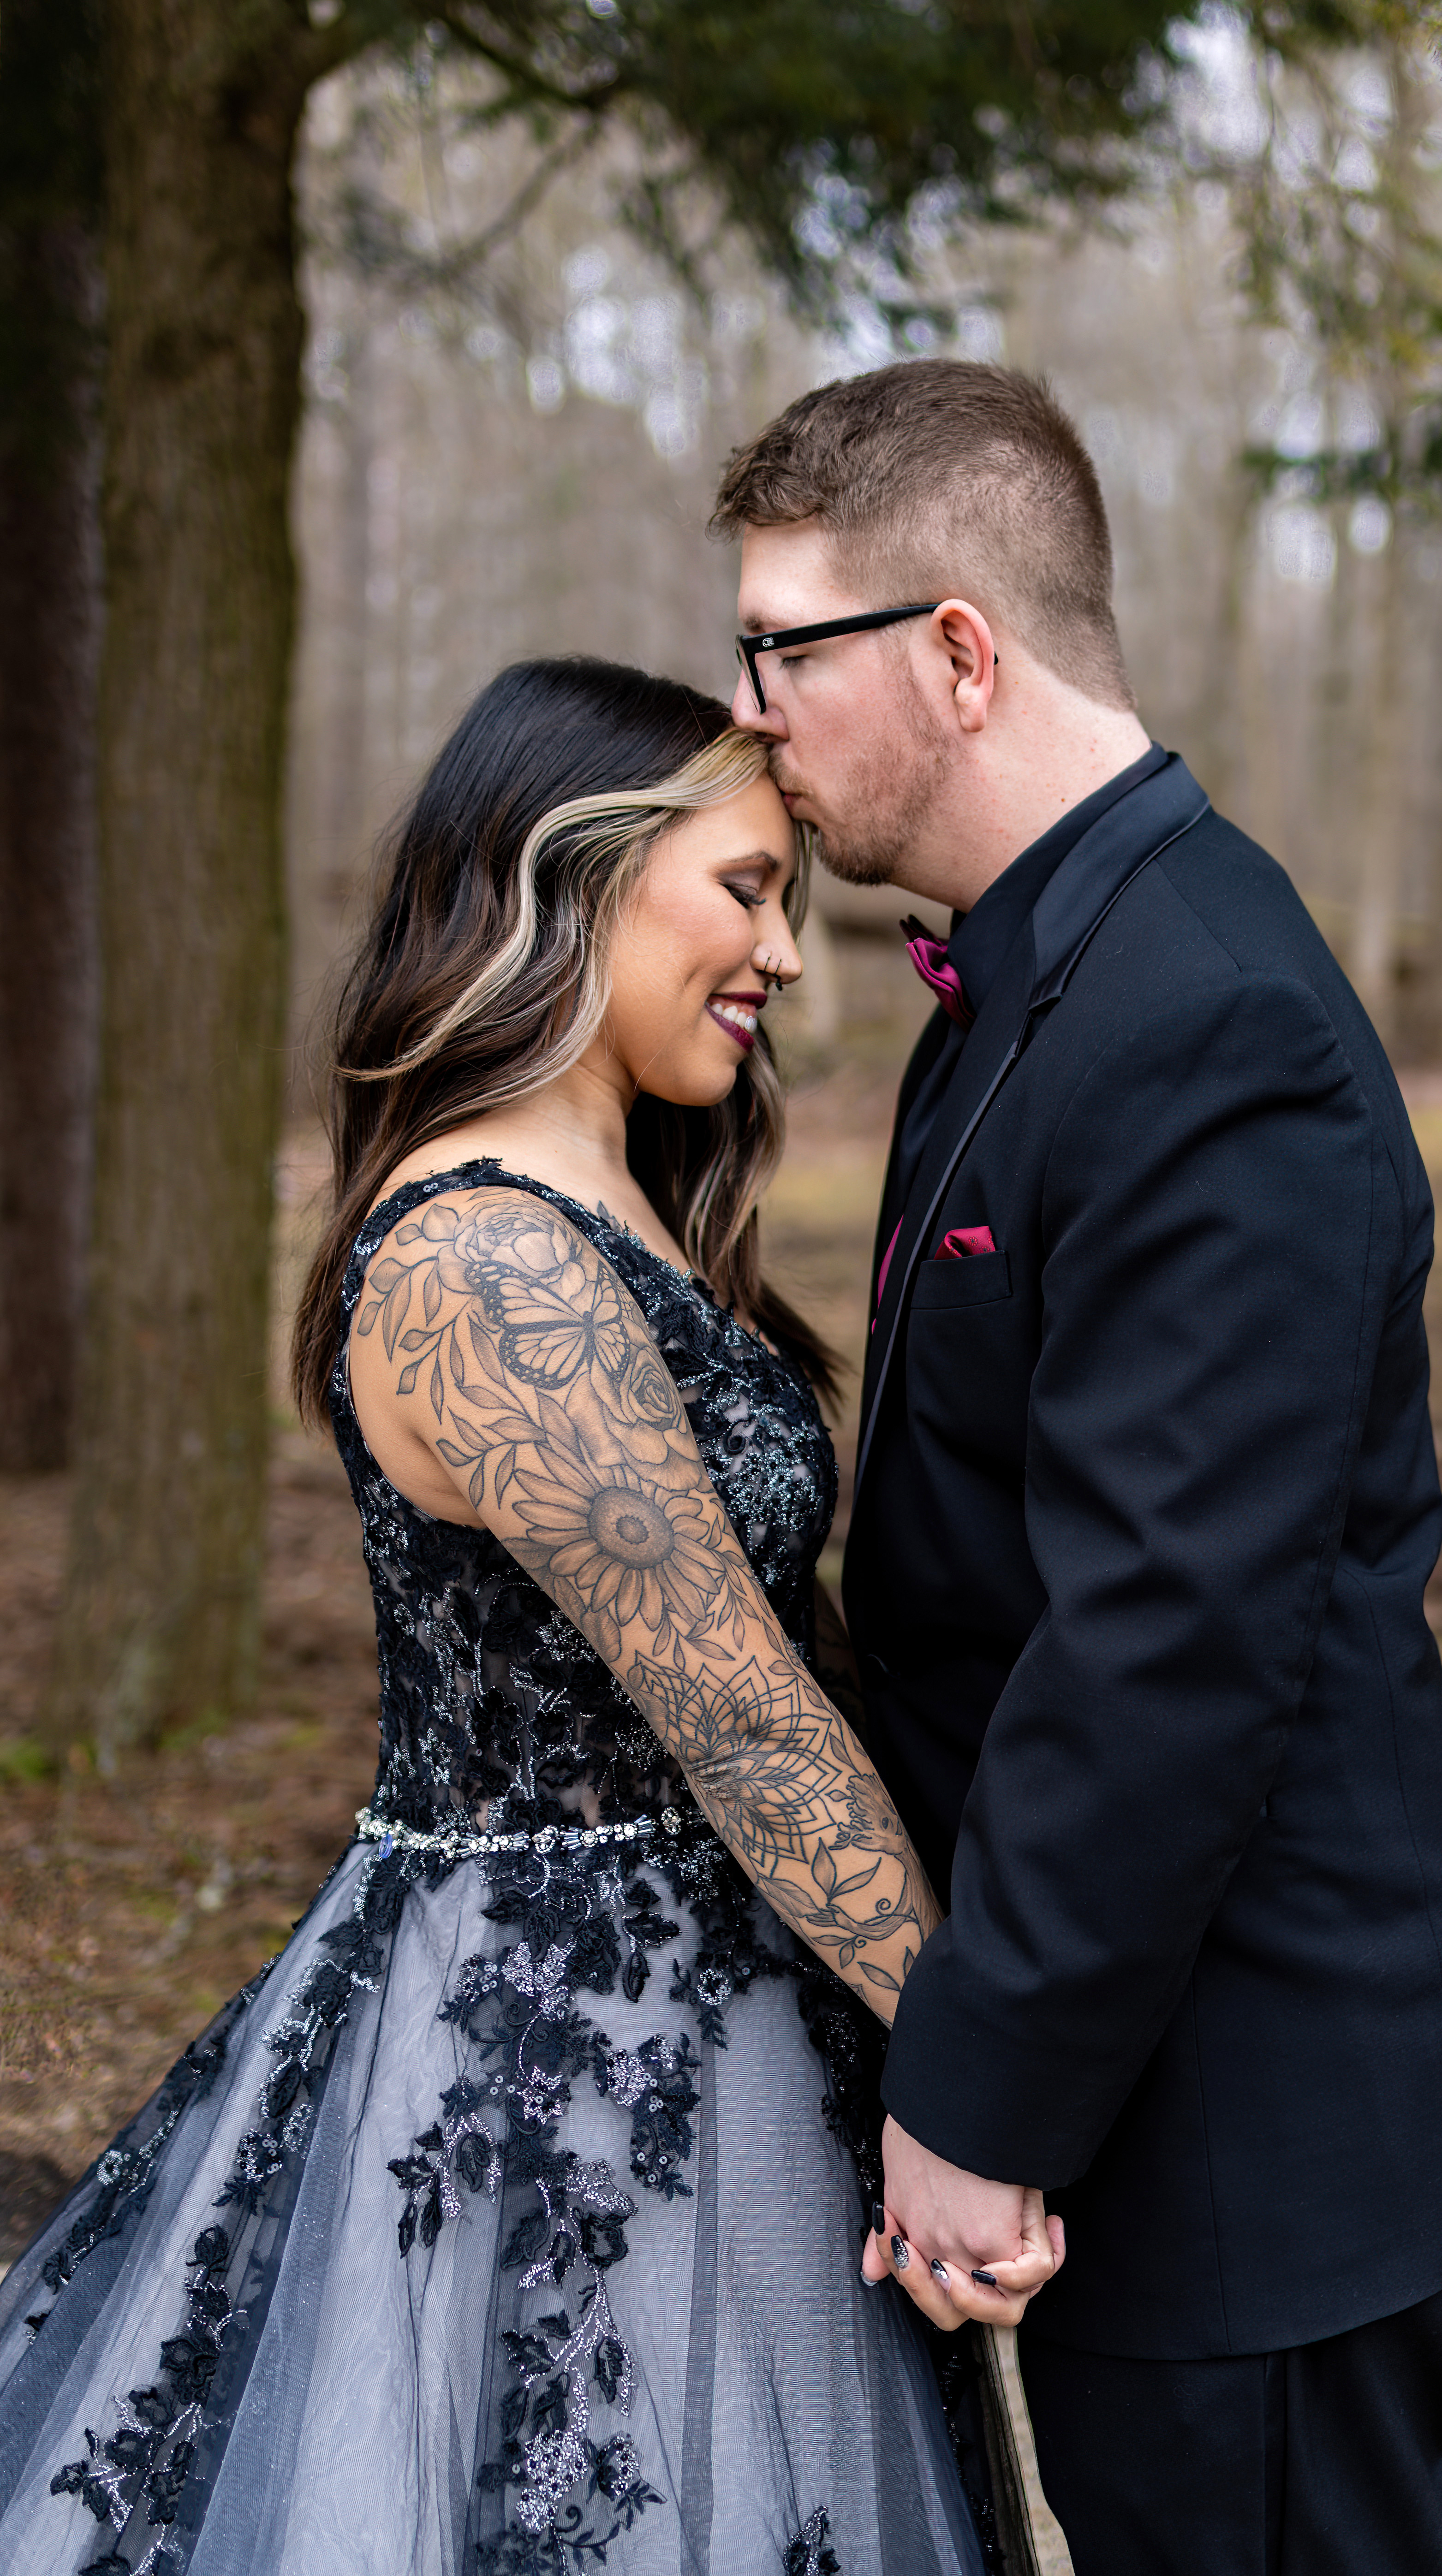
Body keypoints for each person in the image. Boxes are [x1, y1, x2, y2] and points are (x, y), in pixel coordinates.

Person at [0, 659, 1049, 2575]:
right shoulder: (486, 1259)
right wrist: (985, 2064)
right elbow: (739, 1713)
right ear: (570, 876)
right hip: (573, 2073)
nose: (784, 956)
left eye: (791, 900)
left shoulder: (614, 1201)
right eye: (741, 888)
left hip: (731, 2020)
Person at [711, 361, 1442, 2575]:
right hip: (1147, 2096)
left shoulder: (1207, 1018)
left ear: (959, 653)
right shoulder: (1041, 982)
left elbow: (1163, 1648)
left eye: (785, 646)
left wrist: (979, 2105)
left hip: (1257, 2137)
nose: (755, 707)